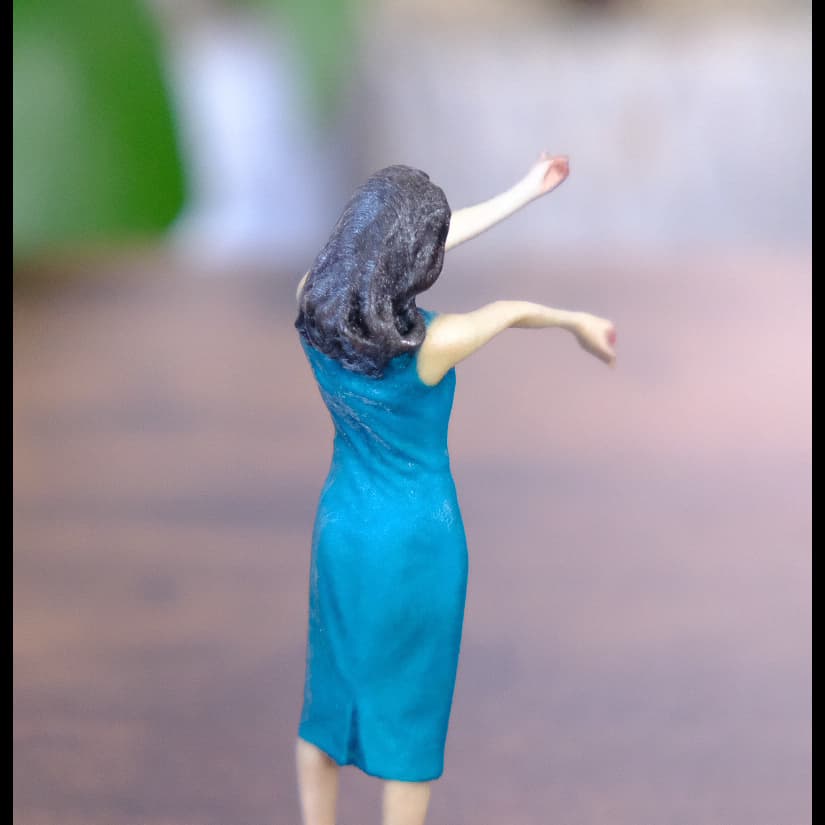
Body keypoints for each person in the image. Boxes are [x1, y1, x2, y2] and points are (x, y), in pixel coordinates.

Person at [294, 155, 616, 825]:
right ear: (414, 262)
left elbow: (402, 244)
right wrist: (575, 319)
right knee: (410, 719)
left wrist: (522, 191)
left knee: (327, 701)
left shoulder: (312, 303)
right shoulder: (433, 344)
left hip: (343, 530)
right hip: (417, 542)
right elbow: (510, 310)